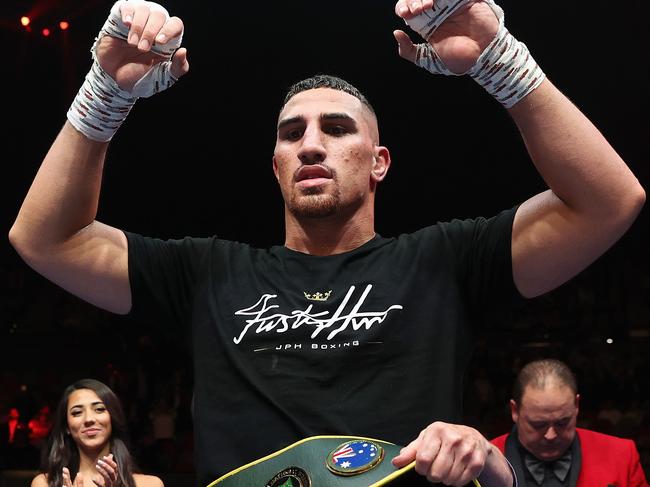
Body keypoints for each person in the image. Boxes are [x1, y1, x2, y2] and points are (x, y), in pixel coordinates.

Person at [8, 0, 645, 485]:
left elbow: (609, 201)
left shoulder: (443, 260)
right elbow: (44, 238)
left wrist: (498, 58)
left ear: (380, 162)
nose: (310, 144)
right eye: (292, 134)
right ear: (277, 165)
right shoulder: (207, 272)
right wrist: (106, 92)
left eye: (336, 129)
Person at [491, 359, 650, 486]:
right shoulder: (480, 460)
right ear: (515, 411)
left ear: (576, 406)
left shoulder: (620, 455)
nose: (551, 435)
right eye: (538, 424)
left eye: (562, 422)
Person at [30, 379, 163, 487]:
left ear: (113, 418)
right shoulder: (44, 484)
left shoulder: (149, 484)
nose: (89, 419)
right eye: (77, 412)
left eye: (99, 409)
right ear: (67, 427)